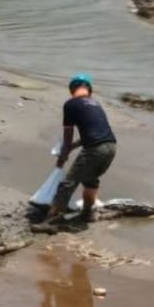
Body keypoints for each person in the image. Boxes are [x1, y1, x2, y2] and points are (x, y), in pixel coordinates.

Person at [48, 72, 116, 222]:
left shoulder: (70, 104)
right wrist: (72, 147)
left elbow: (68, 133)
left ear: (72, 89)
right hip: (111, 146)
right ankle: (87, 213)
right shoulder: (96, 104)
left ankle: (53, 220)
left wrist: (63, 155)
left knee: (68, 183)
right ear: (89, 89)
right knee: (91, 180)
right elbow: (95, 133)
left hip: (95, 149)